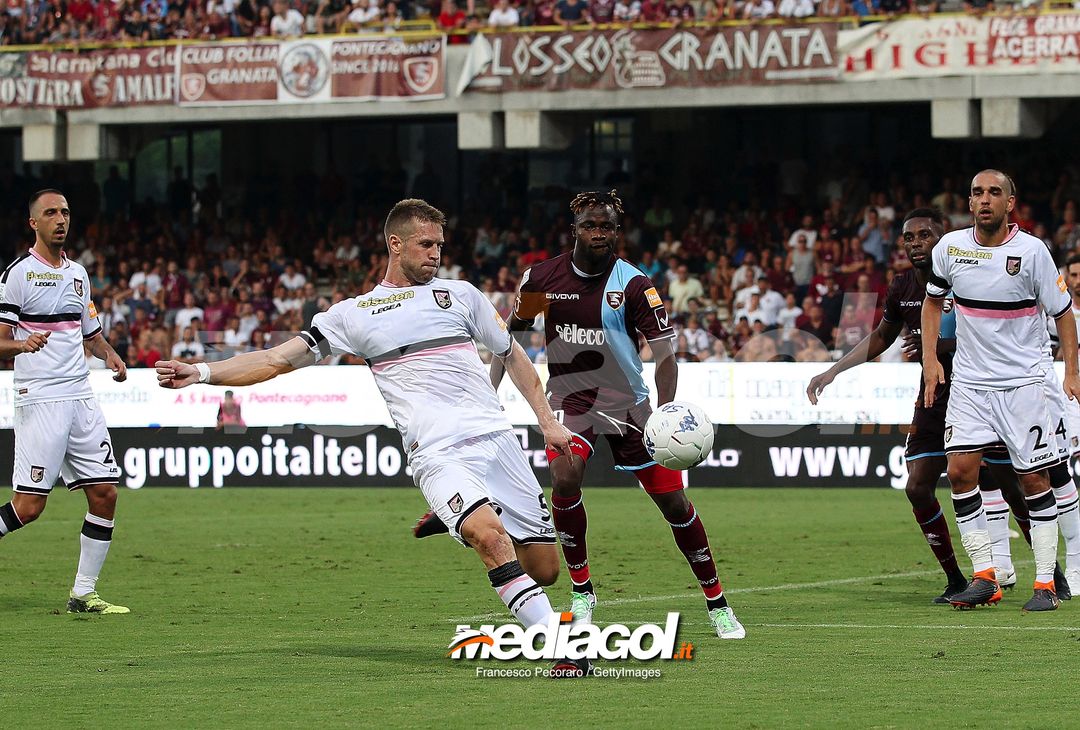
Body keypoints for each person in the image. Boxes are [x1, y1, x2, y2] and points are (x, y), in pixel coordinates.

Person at [155, 199, 589, 674]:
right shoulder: (354, 315)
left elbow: (513, 355)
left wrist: (547, 420)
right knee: (490, 537)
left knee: (544, 569)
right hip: (437, 453)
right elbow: (276, 359)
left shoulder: (462, 295)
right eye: (426, 244)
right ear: (395, 244)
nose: (435, 254)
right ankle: (559, 648)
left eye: (440, 245)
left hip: (496, 441)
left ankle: (454, 519)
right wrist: (201, 371)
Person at [417, 190, 745, 639]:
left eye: (607, 227)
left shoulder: (634, 285)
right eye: (591, 225)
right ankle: (582, 593)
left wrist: (665, 409)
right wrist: (487, 391)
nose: (599, 234)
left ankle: (717, 602)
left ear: (617, 232)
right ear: (574, 229)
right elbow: (506, 339)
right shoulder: (542, 278)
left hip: (630, 406)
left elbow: (666, 353)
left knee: (674, 504)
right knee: (566, 476)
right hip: (571, 402)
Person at [806, 208, 1043, 603]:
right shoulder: (902, 286)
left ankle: (1050, 574)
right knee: (917, 486)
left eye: (924, 235)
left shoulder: (969, 275)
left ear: (943, 238)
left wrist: (940, 346)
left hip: (983, 391)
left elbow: (997, 333)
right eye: (909, 238)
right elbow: (882, 336)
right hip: (934, 396)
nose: (916, 244)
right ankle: (955, 578)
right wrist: (832, 372)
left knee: (1011, 486)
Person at [923, 170, 1080, 611]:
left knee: (1033, 478)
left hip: (1023, 384)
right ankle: (986, 576)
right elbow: (933, 302)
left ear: (1011, 203)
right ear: (969, 202)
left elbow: (1064, 313)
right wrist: (931, 360)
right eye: (977, 193)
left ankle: (1046, 584)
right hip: (971, 384)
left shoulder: (1032, 253)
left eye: (994, 192)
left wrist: (1071, 372)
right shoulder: (950, 248)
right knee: (959, 472)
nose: (984, 199)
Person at [0, 189, 128, 614]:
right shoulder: (17, 275)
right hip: (41, 399)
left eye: (66, 212)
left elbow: (90, 335)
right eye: (51, 213)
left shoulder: (78, 274)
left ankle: (83, 594)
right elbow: (0, 342)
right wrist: (21, 345)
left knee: (106, 494)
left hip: (80, 397)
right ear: (33, 222)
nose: (61, 219)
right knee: (29, 508)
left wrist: (109, 355)